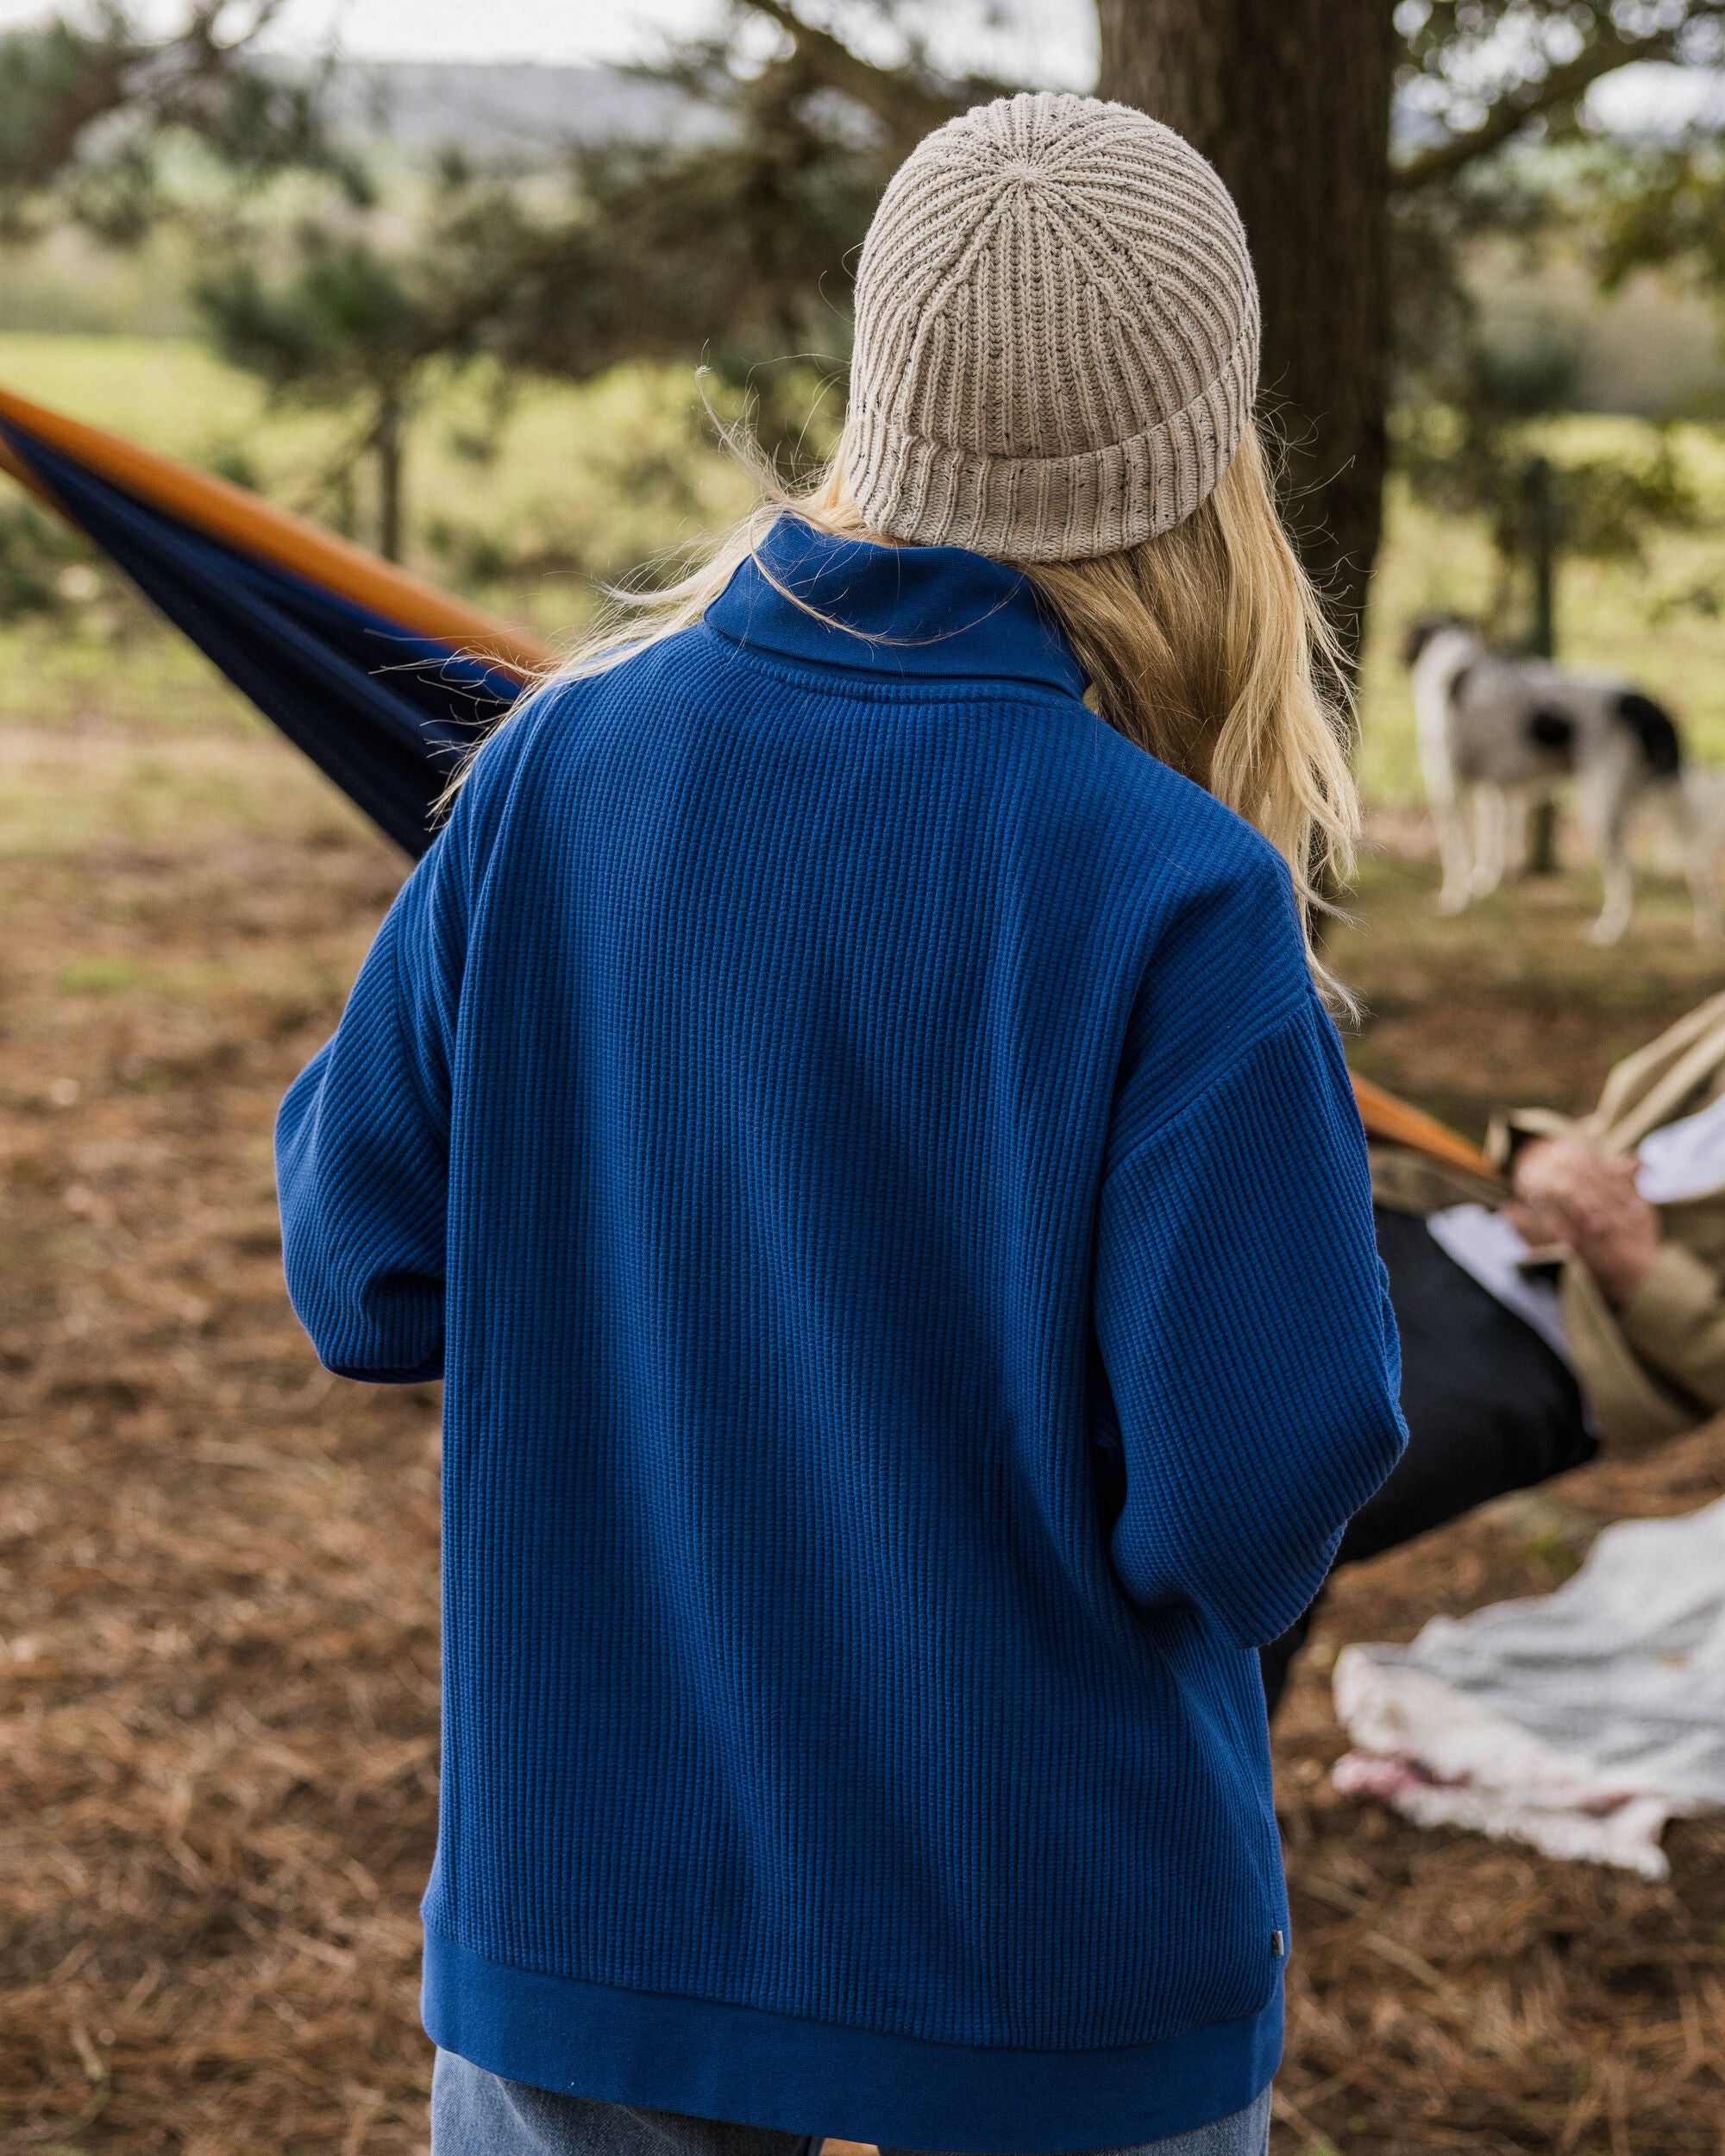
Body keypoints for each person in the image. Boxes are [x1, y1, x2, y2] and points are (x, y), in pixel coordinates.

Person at [276, 94, 1406, 2156]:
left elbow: (366, 1262)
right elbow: (1250, 1493)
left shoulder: (551, 783)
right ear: (1203, 453)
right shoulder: (1171, 890)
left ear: (872, 390)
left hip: (591, 1925)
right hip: (1046, 1954)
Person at [1260, 988, 1725, 1713]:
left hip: (1557, 1352)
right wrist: (1544, 1153)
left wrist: (1637, 1270)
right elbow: (1603, 1125)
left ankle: (1187, 1806)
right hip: (1443, 1215)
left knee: (1273, 1524)